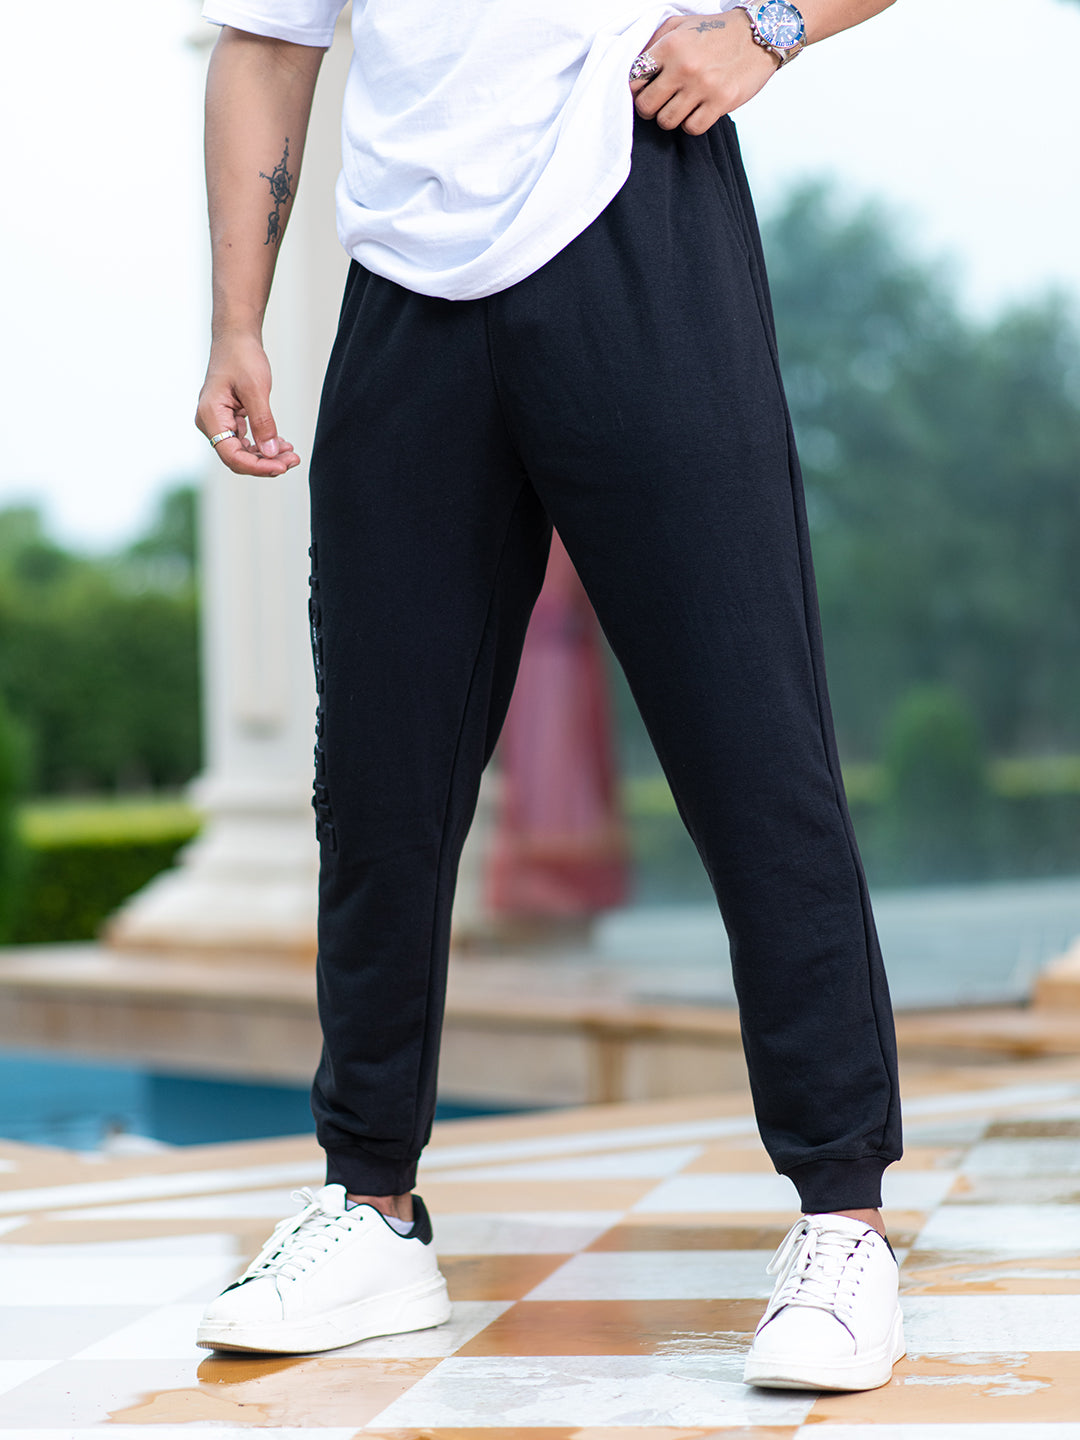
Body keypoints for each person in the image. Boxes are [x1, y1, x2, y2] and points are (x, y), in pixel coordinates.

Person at [194, 0, 904, 1393]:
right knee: (380, 781)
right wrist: (236, 321)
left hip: (638, 220)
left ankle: (844, 1221)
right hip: (403, 289)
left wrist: (770, 27)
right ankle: (371, 1206)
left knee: (750, 745)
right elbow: (265, 46)